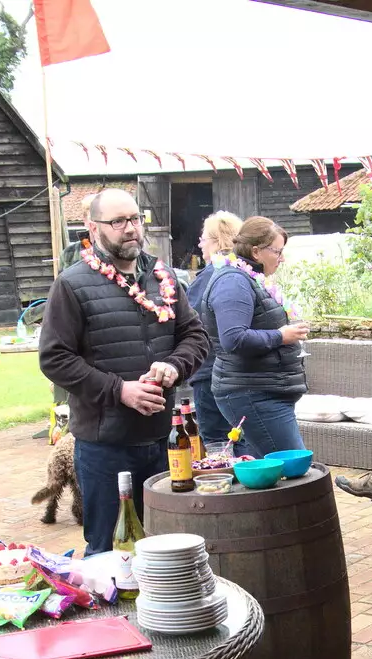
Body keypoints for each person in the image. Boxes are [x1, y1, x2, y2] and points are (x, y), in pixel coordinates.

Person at [40, 188, 208, 555]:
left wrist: (173, 367)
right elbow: (55, 359)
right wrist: (120, 390)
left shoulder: (163, 277)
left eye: (135, 219)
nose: (130, 228)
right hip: (106, 446)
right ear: (92, 227)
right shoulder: (72, 284)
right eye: (117, 221)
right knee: (107, 548)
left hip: (166, 439)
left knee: (167, 545)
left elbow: (194, 335)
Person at [204, 216, 310, 457]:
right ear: (256, 251)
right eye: (277, 252)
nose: (282, 258)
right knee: (292, 468)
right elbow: (233, 339)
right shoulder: (233, 282)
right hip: (252, 393)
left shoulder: (248, 278)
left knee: (268, 473)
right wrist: (280, 336)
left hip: (263, 389)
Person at [185, 210, 242, 444]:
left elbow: (192, 324)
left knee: (217, 442)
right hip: (239, 371)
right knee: (241, 436)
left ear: (217, 241)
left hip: (210, 370)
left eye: (203, 238)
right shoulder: (243, 271)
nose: (200, 244)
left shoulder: (209, 278)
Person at [57, 192, 97, 272]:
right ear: (85, 220)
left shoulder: (118, 251)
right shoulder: (69, 254)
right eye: (93, 217)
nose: (98, 222)